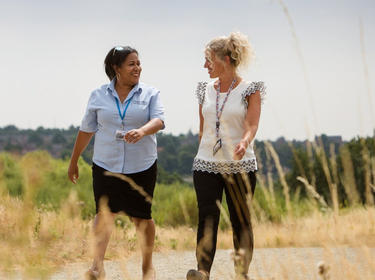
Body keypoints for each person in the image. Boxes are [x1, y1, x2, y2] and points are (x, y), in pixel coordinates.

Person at [68, 46, 165, 280]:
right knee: (104, 214)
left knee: (142, 217)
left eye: (138, 63)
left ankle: (147, 267)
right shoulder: (98, 95)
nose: (137, 68)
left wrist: (142, 131)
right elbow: (86, 130)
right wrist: (74, 161)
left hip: (141, 165)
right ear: (116, 68)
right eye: (131, 63)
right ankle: (96, 266)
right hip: (105, 164)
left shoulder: (150, 93)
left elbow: (159, 120)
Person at [187, 32, 265, 280]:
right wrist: (204, 149)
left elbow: (252, 124)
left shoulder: (250, 90)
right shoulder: (204, 90)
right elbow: (202, 127)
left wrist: (244, 141)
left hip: (240, 165)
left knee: (240, 221)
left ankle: (241, 274)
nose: (205, 66)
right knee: (207, 218)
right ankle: (203, 272)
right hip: (206, 164)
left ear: (227, 59)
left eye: (209, 60)